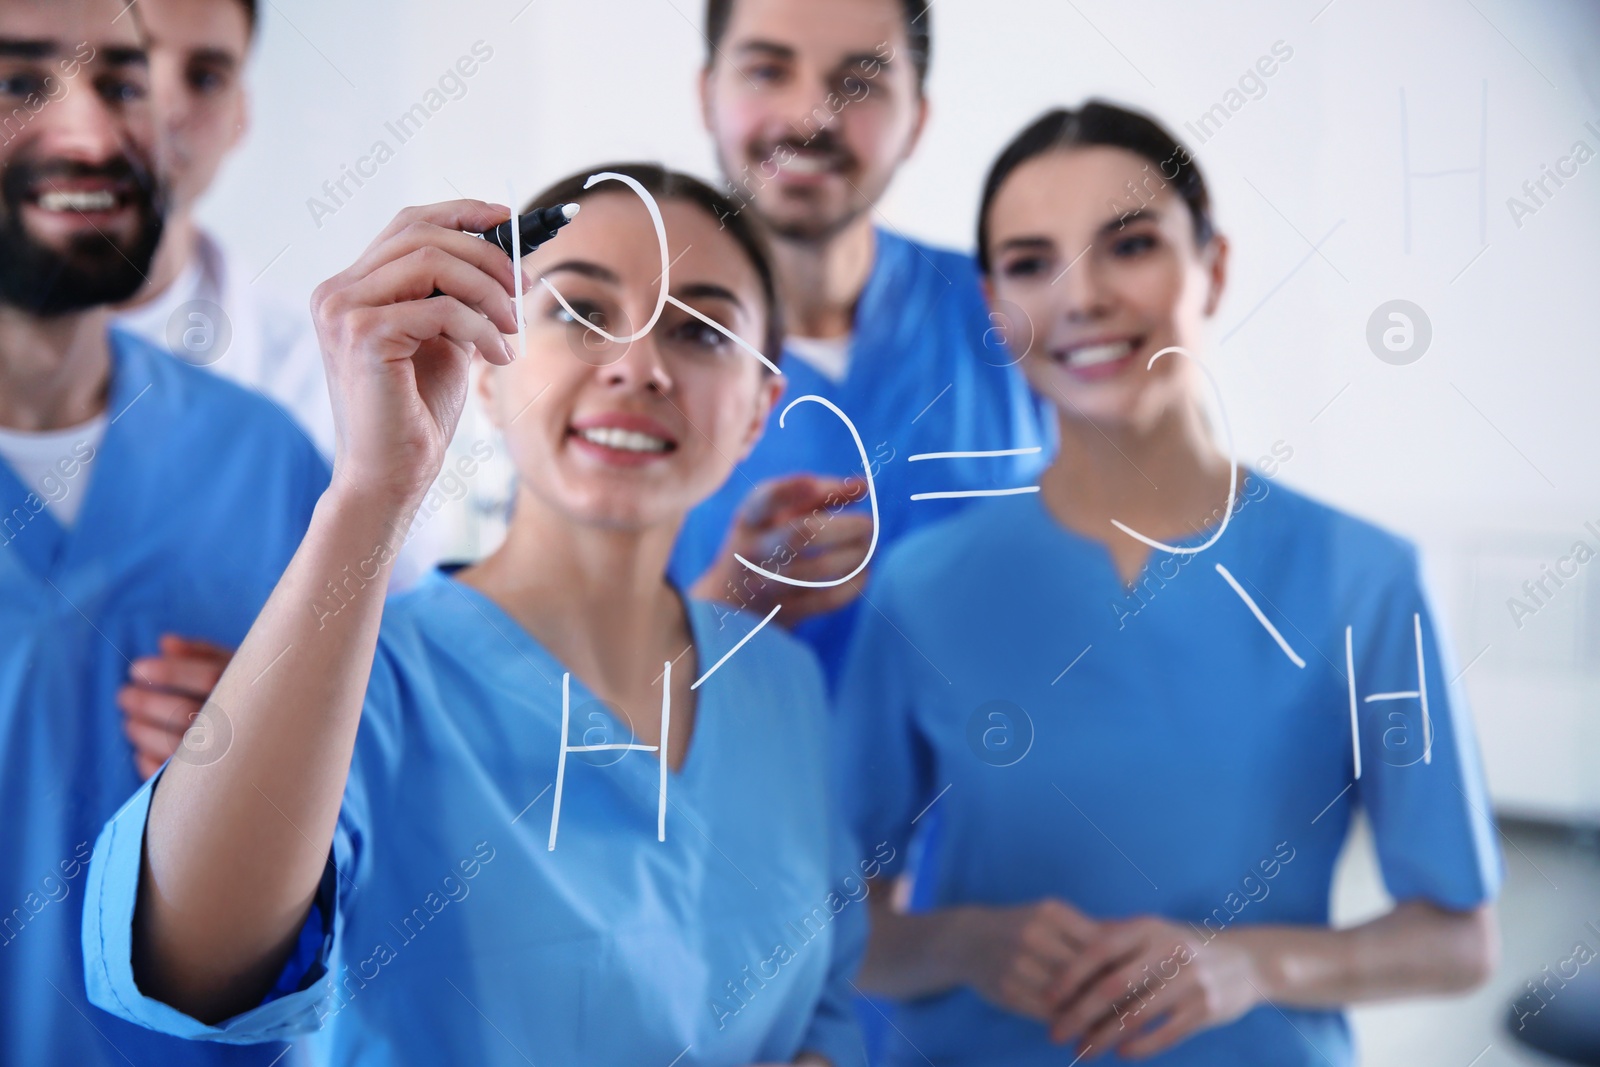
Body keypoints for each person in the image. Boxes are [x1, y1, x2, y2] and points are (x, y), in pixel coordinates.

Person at [82, 164, 869, 1067]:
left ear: (757, 411)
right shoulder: (360, 678)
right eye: (578, 313)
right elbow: (193, 969)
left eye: (701, 331)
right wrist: (374, 492)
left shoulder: (780, 682)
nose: (638, 363)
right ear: (492, 366)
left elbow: (824, 1003)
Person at [834, 102, 1502, 1065]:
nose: (1082, 295)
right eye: (1031, 263)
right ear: (994, 306)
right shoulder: (925, 586)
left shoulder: (1365, 581)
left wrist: (1252, 965)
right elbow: (833, 925)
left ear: (1214, 267)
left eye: (1131, 245)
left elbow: (1458, 938)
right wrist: (964, 941)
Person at [0, 0, 327, 1063]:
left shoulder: (269, 464)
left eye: (125, 85)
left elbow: (378, 823)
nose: (94, 138)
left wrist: (275, 755)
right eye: (18, 83)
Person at [674, 0, 1050, 679]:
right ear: (707, 96)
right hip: (713, 782)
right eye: (767, 71)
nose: (810, 118)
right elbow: (572, 677)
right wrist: (725, 604)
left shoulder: (1018, 315)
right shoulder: (617, 348)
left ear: (918, 121)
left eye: (861, 82)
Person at [110, 0, 334, 456]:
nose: (166, 109)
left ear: (241, 118)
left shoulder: (317, 372)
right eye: (127, 66)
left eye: (205, 77)